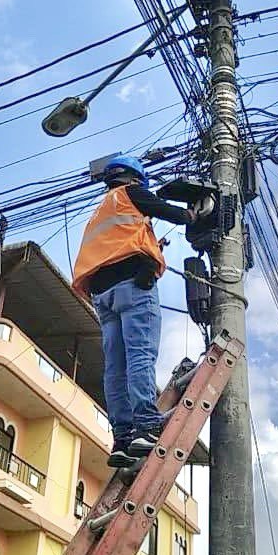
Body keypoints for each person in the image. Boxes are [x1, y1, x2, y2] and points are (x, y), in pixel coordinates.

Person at [72, 154, 197, 467]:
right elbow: (169, 212)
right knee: (140, 356)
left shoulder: (101, 210)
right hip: (133, 285)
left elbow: (122, 240)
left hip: (102, 293)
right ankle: (146, 425)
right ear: (134, 178)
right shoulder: (129, 194)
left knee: (115, 366)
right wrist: (193, 215)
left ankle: (123, 438)